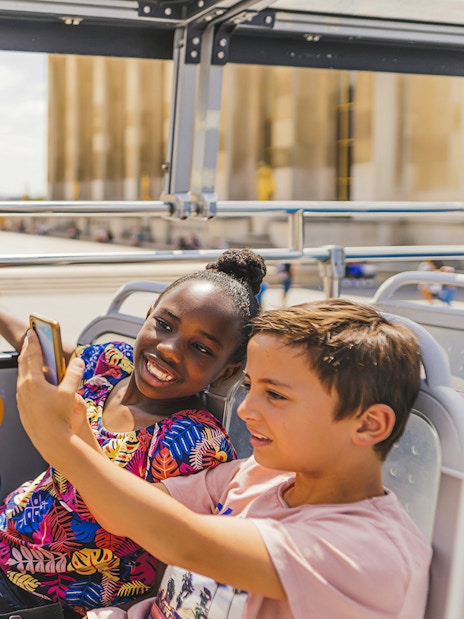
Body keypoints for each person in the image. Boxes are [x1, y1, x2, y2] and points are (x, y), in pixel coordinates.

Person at [17, 299, 431, 619]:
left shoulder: (370, 550)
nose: (247, 409)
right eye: (249, 386)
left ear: (368, 425)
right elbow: (125, 512)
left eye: (276, 394)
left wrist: (59, 443)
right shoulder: (258, 475)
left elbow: (190, 544)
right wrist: (78, 431)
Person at [0, 249, 266, 617]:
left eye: (201, 348)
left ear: (224, 373)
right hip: (9, 535)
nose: (169, 349)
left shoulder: (191, 442)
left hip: (59, 595)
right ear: (147, 317)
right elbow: (43, 350)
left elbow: (166, 545)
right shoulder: (111, 362)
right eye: (165, 325)